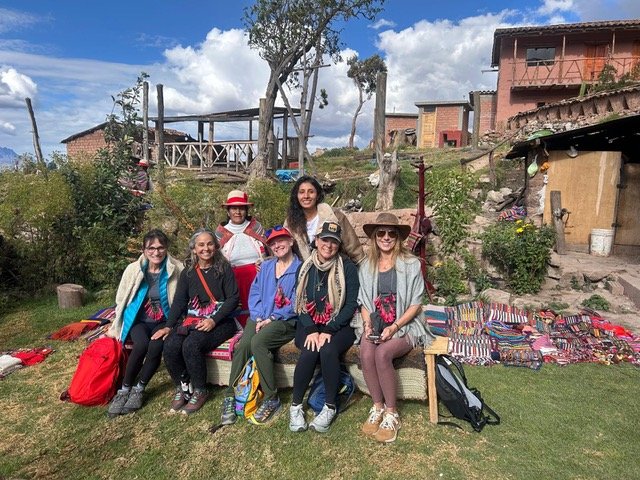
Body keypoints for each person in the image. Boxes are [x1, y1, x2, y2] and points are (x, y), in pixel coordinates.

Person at [358, 212, 434, 443]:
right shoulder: (366, 265)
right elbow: (364, 302)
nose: (386, 237)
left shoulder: (411, 265)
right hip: (377, 322)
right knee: (366, 351)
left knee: (382, 353)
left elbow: (416, 304)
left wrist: (394, 326)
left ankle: (392, 413)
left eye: (392, 233)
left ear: (398, 238)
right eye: (381, 233)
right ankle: (377, 406)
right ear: (374, 237)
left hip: (405, 324)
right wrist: (368, 323)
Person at [219, 225, 302, 426]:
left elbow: (297, 301)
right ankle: (231, 394)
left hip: (284, 320)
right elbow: (255, 294)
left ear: (291, 242)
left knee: (259, 343)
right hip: (259, 317)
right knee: (243, 347)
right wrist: (257, 317)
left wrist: (271, 319)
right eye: (273, 243)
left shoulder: (300, 268)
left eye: (281, 240)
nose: (277, 245)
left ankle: (271, 397)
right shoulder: (266, 267)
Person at [289, 221, 360, 433]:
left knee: (328, 349)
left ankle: (329, 406)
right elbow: (300, 302)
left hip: (338, 324)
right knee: (310, 350)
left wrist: (328, 330)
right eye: (325, 240)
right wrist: (312, 330)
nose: (328, 245)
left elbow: (350, 304)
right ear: (316, 241)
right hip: (309, 323)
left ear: (339, 245)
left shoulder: (347, 268)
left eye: (334, 242)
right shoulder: (304, 268)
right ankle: (295, 406)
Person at [160, 228, 240, 415]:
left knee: (191, 344)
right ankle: (182, 386)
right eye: (201, 245)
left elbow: (233, 299)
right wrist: (168, 326)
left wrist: (213, 320)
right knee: (170, 345)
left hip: (221, 321)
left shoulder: (224, 269)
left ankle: (200, 389)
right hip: (194, 320)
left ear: (216, 246)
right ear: (194, 249)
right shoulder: (188, 273)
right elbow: (180, 301)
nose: (206, 248)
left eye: (210, 244)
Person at [106, 229, 183, 417]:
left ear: (166, 248)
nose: (156, 252)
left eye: (160, 248)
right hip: (139, 320)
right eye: (151, 248)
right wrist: (118, 319)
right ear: (144, 250)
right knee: (141, 345)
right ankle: (124, 390)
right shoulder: (133, 270)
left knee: (156, 346)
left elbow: (181, 300)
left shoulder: (177, 268)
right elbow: (121, 297)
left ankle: (139, 388)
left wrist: (171, 326)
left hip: (164, 320)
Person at [215, 190, 269, 327]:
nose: (237, 212)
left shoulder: (256, 227)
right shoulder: (221, 232)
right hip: (232, 277)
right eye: (234, 208)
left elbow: (269, 251)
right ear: (228, 211)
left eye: (241, 208)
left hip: (257, 274)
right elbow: (216, 258)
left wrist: (264, 262)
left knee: (258, 306)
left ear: (246, 210)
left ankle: (258, 327)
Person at [284, 175, 365, 265]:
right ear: (296, 196)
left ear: (317, 195)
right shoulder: (290, 222)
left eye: (311, 192)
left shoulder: (334, 215)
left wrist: (363, 269)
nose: (306, 196)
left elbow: (353, 247)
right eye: (302, 192)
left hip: (335, 268)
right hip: (305, 273)